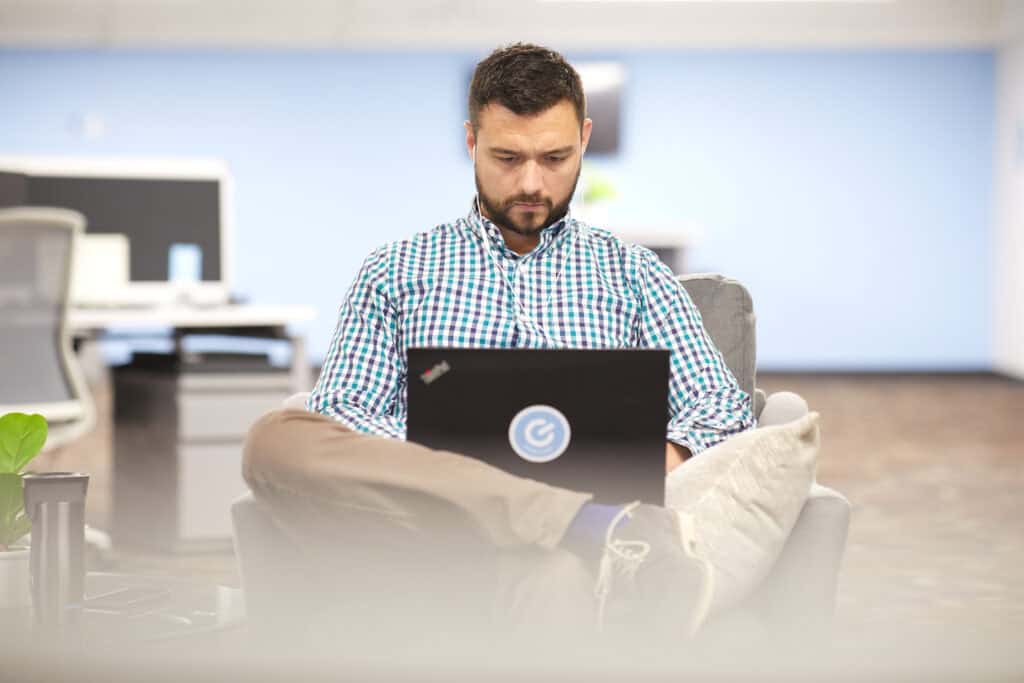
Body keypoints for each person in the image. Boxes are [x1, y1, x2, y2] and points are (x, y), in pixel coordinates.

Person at [243, 43, 758, 639]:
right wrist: (460, 466)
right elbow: (342, 410)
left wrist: (654, 457)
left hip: (570, 513)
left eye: (555, 157)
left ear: (585, 139)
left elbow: (721, 405)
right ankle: (585, 527)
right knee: (273, 440)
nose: (531, 183)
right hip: (435, 516)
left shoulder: (635, 274)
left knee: (554, 574)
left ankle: (571, 528)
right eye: (507, 158)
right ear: (471, 142)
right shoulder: (394, 270)